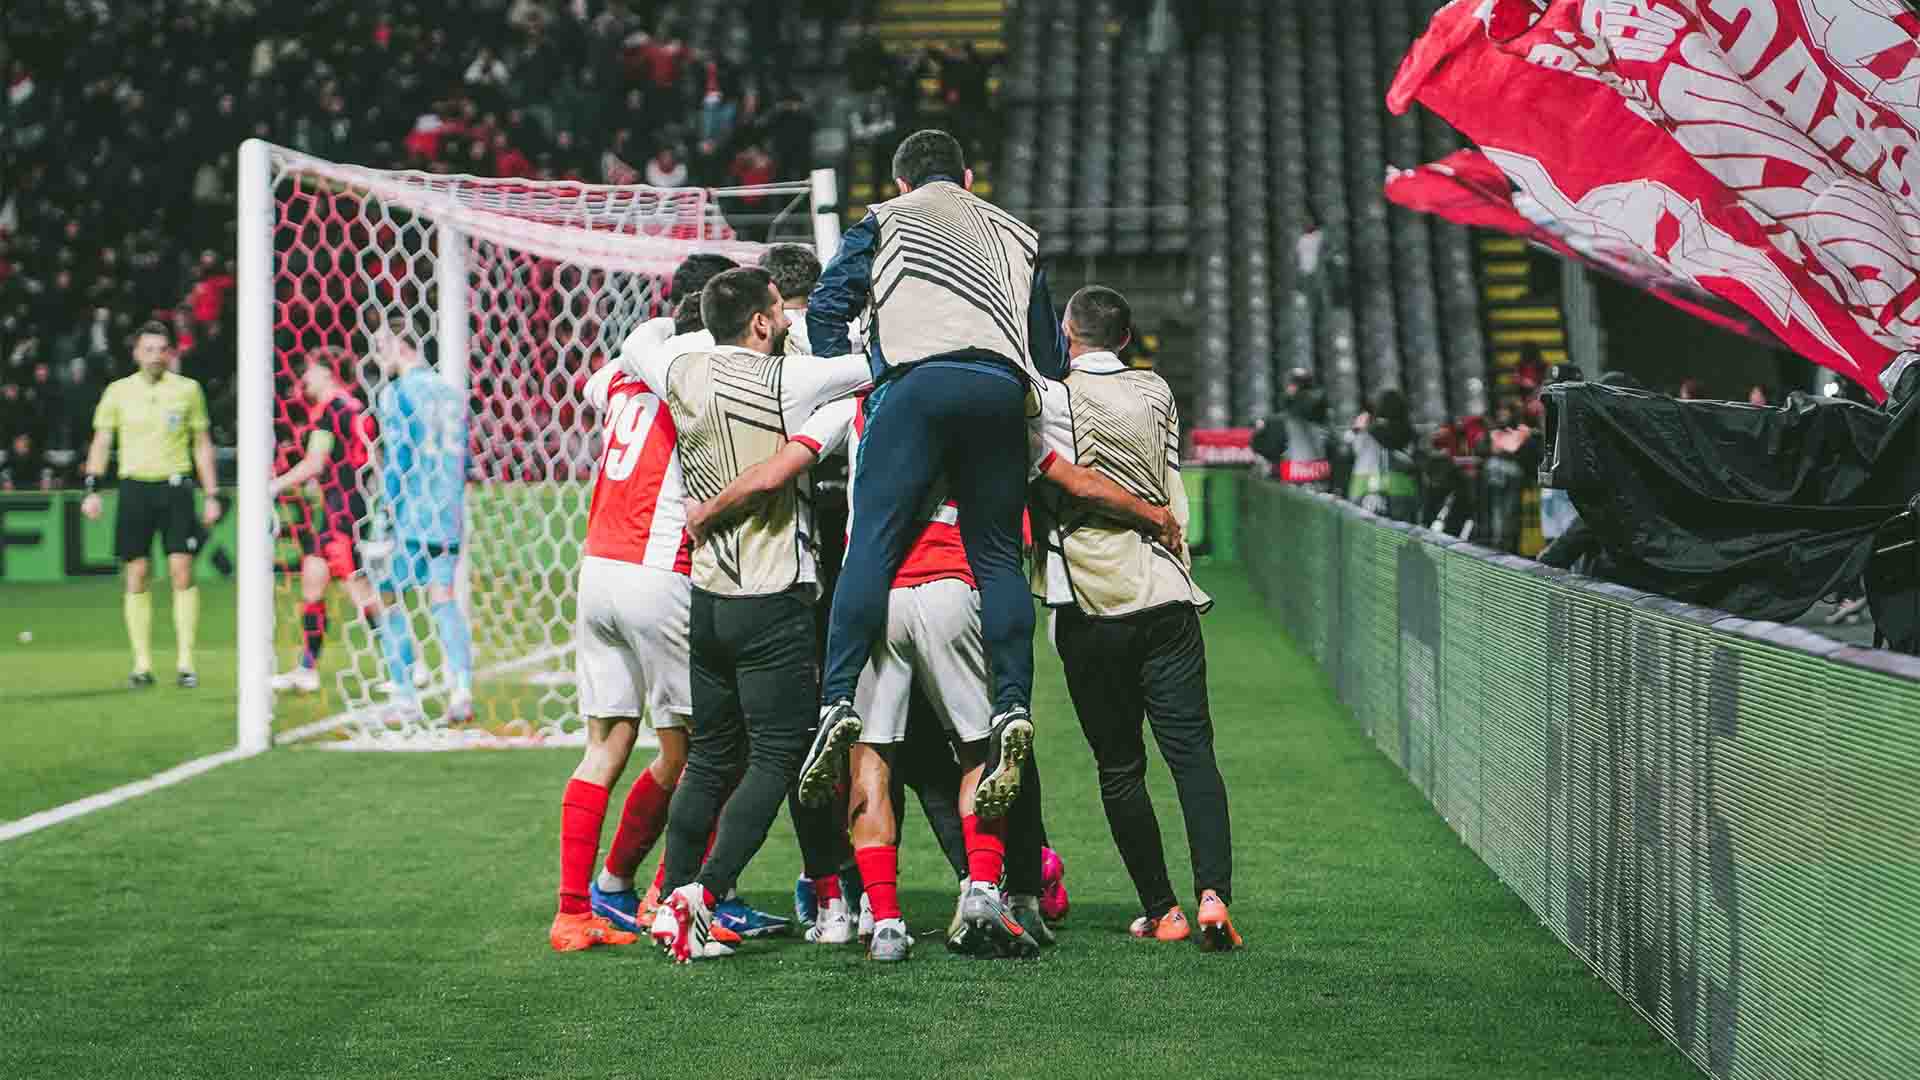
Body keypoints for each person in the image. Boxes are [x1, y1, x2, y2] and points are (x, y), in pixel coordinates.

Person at [802, 129, 1080, 823]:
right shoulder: (1019, 234)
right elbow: (1051, 356)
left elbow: (826, 307)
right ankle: (1012, 701)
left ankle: (838, 696)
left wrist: (859, 376)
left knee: (870, 545)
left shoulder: (884, 219)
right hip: (998, 391)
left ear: (900, 182)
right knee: (996, 557)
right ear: (969, 174)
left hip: (916, 385)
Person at [622, 268, 872, 963]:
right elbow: (877, 366)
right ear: (762, 322)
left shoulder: (675, 364)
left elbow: (640, 336)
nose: (788, 325)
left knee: (710, 758)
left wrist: (697, 321)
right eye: (779, 316)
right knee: (780, 755)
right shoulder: (790, 381)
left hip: (707, 600)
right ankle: (704, 894)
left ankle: (669, 897)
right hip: (772, 596)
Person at [1027, 286, 1240, 951]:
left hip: (1092, 602)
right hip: (1168, 591)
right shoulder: (1158, 391)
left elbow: (1058, 475)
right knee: (1194, 756)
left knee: (1120, 766)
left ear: (1068, 333)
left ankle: (1162, 910)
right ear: (1126, 339)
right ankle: (1214, 896)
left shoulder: (1051, 399)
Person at [80, 320, 221, 688]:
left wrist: (211, 494)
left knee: (181, 571)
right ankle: (142, 665)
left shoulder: (188, 391)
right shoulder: (118, 392)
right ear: (136, 353)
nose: (155, 356)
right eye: (149, 349)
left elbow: (202, 443)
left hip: (175, 487)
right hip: (134, 489)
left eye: (162, 350)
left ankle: (186, 662)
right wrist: (92, 487)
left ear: (171, 353)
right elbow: (101, 441)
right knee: (137, 574)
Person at [267, 350, 394, 696]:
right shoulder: (351, 407)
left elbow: (314, 463)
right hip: (341, 505)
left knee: (357, 587)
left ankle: (404, 666)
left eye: (308, 371)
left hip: (342, 509)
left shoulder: (334, 411)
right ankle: (307, 669)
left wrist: (274, 485)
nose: (303, 379)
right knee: (313, 582)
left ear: (326, 373)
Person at [370, 317, 476, 723]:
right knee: (444, 599)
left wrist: (384, 511)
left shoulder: (397, 394)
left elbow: (399, 458)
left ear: (403, 346)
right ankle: (461, 690)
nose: (378, 354)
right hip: (447, 512)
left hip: (411, 512)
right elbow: (463, 458)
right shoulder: (450, 394)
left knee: (388, 595)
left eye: (383, 345)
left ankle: (404, 696)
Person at [1346, 387, 1419, 522]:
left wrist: (1357, 429)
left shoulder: (1367, 433)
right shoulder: (1410, 434)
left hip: (1365, 490)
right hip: (1403, 492)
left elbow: (1350, 449)